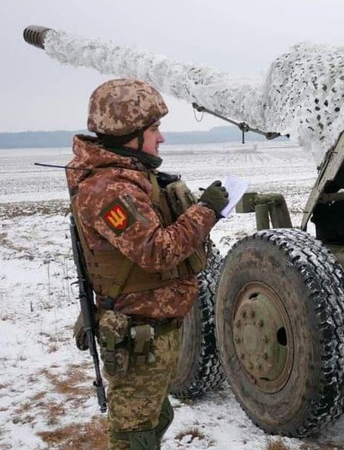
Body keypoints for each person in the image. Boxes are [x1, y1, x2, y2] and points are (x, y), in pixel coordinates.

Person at [66, 78, 229, 449]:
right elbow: (157, 251)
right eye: (154, 129)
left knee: (156, 419)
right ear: (129, 134)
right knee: (134, 435)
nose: (161, 138)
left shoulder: (129, 177)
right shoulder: (110, 191)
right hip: (138, 335)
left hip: (155, 331)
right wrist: (206, 212)